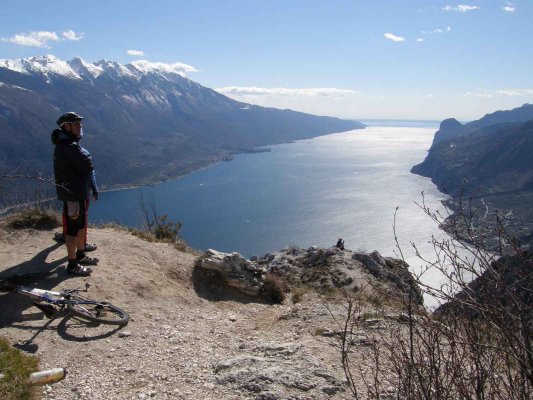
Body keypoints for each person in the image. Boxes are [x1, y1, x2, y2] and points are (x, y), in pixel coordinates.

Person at [52, 112, 99, 275]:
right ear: (67, 126)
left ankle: (80, 254)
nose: (81, 127)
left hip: (76, 193)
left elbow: (86, 164)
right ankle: (72, 265)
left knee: (79, 225)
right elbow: (87, 165)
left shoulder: (68, 144)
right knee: (72, 229)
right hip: (73, 194)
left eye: (80, 123)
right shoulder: (69, 147)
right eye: (77, 124)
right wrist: (87, 160)